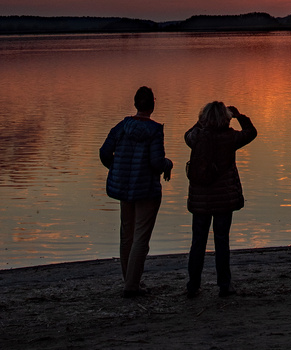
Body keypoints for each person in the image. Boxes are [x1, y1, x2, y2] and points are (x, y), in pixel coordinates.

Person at [99, 86, 173, 298]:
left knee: (127, 235)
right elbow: (156, 162)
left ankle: (129, 281)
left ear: (135, 104)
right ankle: (132, 285)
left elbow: (104, 152)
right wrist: (168, 164)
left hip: (124, 188)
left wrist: (117, 168)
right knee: (140, 237)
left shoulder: (121, 127)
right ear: (152, 105)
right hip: (146, 190)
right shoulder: (155, 130)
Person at [184, 101, 257, 298]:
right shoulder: (230, 138)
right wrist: (239, 116)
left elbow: (186, 136)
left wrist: (200, 123)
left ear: (204, 118)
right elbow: (251, 132)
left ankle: (193, 285)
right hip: (224, 198)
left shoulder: (196, 137)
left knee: (198, 242)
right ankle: (225, 285)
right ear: (225, 118)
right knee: (221, 241)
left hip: (200, 199)